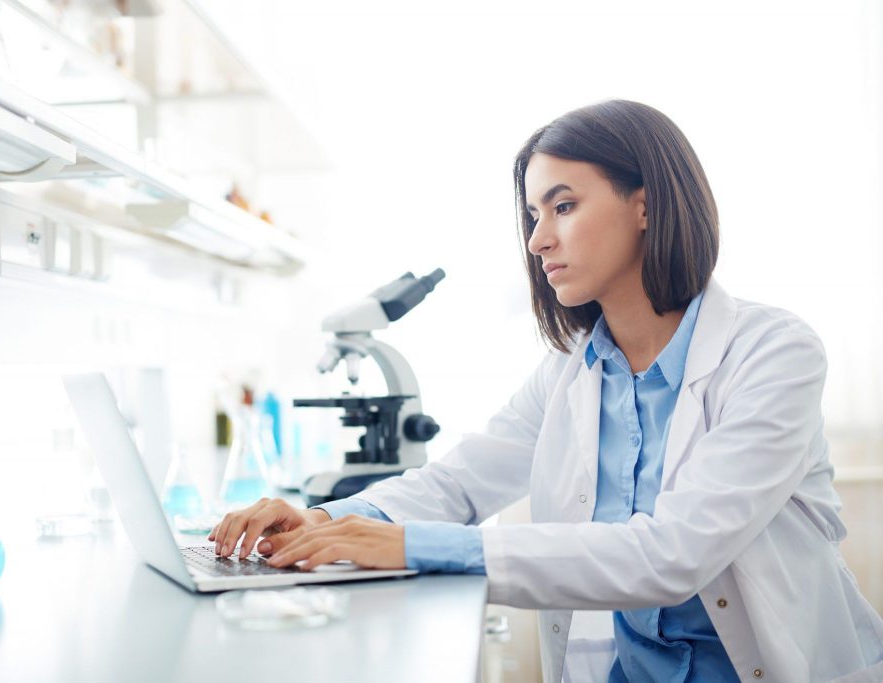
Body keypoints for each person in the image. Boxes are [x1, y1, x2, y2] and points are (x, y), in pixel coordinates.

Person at [209, 100, 883, 682]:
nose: (537, 238)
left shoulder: (774, 353)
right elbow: (459, 485)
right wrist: (325, 521)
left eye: (563, 205)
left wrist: (413, 546)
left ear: (645, 204)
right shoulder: (570, 368)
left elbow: (672, 554)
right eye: (533, 213)